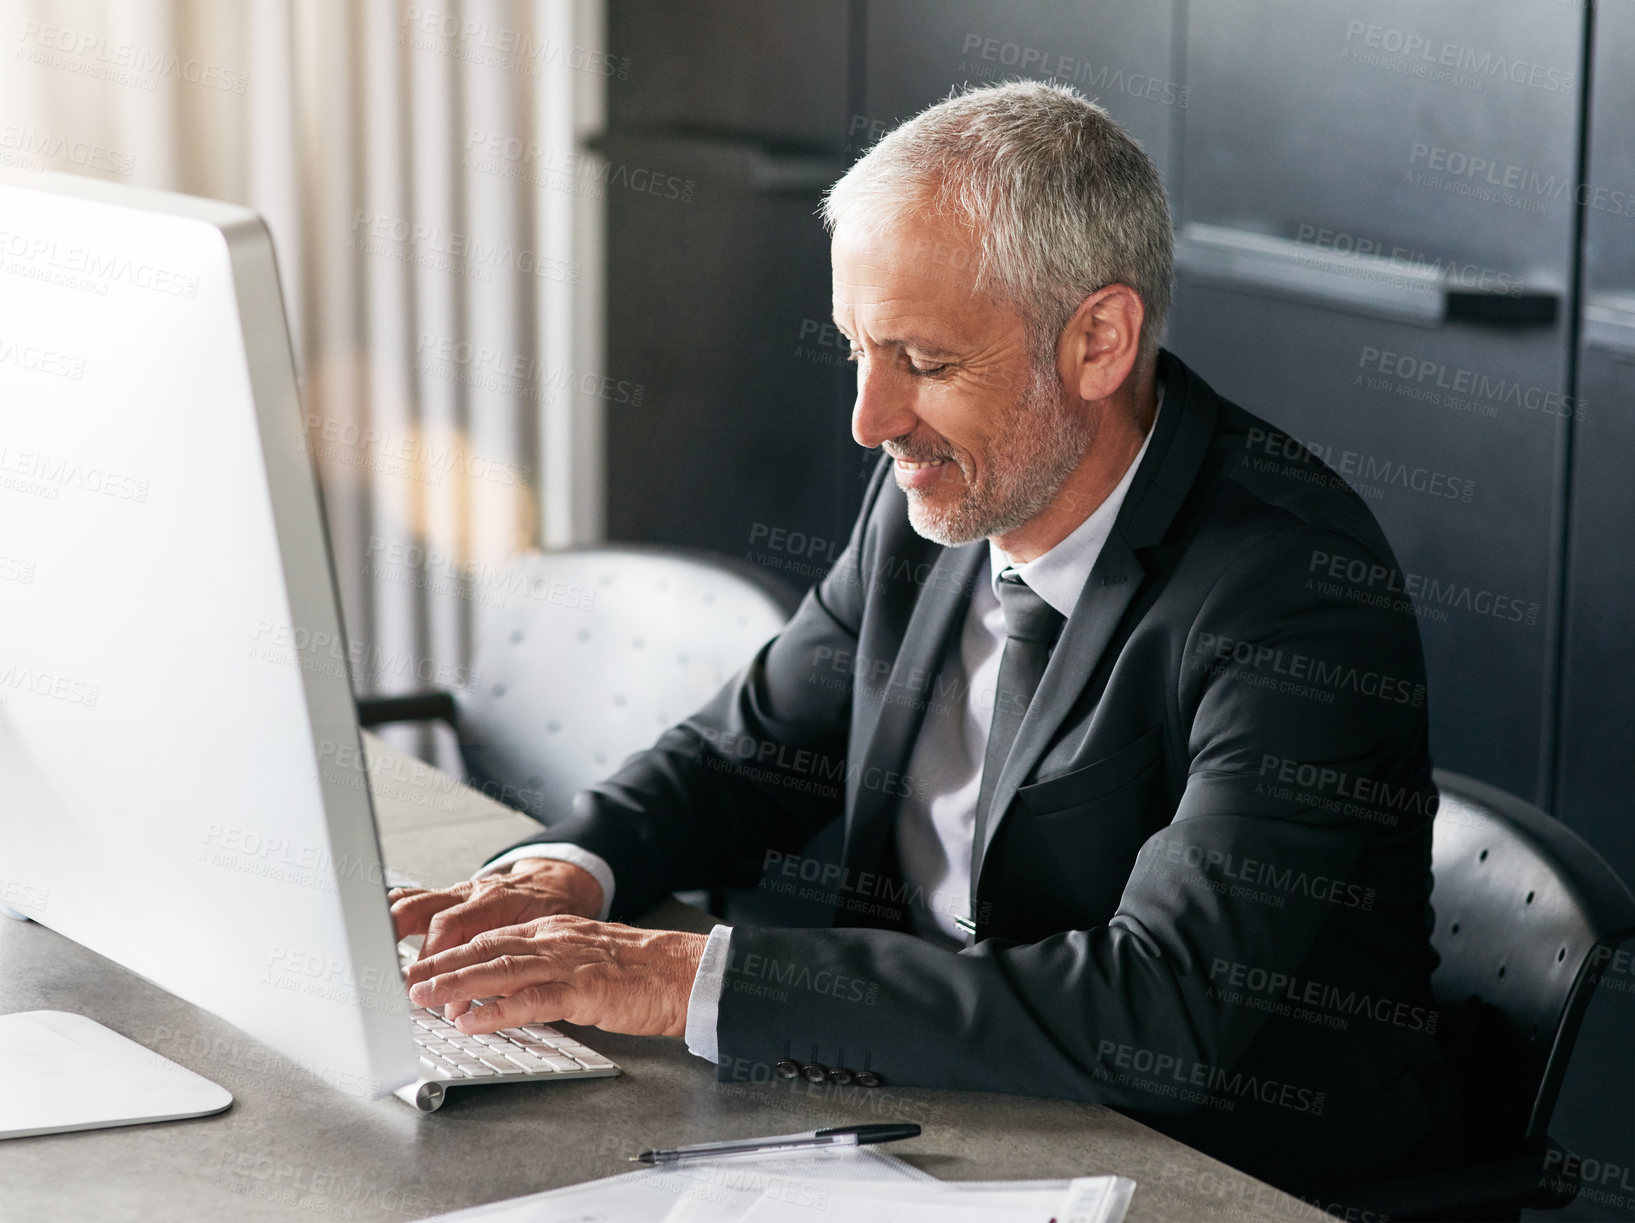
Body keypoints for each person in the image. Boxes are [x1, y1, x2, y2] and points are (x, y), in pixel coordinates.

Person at [390, 79, 1453, 1195]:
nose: (869, 419)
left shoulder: (1295, 590)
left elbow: (1163, 1008)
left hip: (1209, 1174)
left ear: (1098, 340)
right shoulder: (933, 493)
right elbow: (743, 755)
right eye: (858, 347)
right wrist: (564, 875)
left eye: (926, 363)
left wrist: (680, 980)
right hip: (922, 1112)